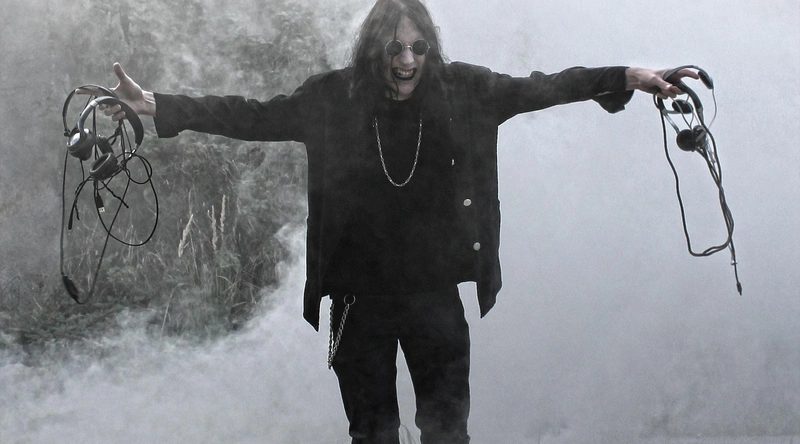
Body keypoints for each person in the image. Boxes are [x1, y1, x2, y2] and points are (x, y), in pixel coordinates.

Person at [91, 0, 697, 442]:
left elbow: (544, 87)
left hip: (435, 299)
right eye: (394, 49)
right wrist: (158, 105)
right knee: (372, 435)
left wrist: (626, 77)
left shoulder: (463, 92)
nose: (406, 61)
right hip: (360, 304)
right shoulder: (333, 99)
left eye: (417, 48)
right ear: (374, 50)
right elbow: (251, 115)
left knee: (447, 433)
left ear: (429, 49)